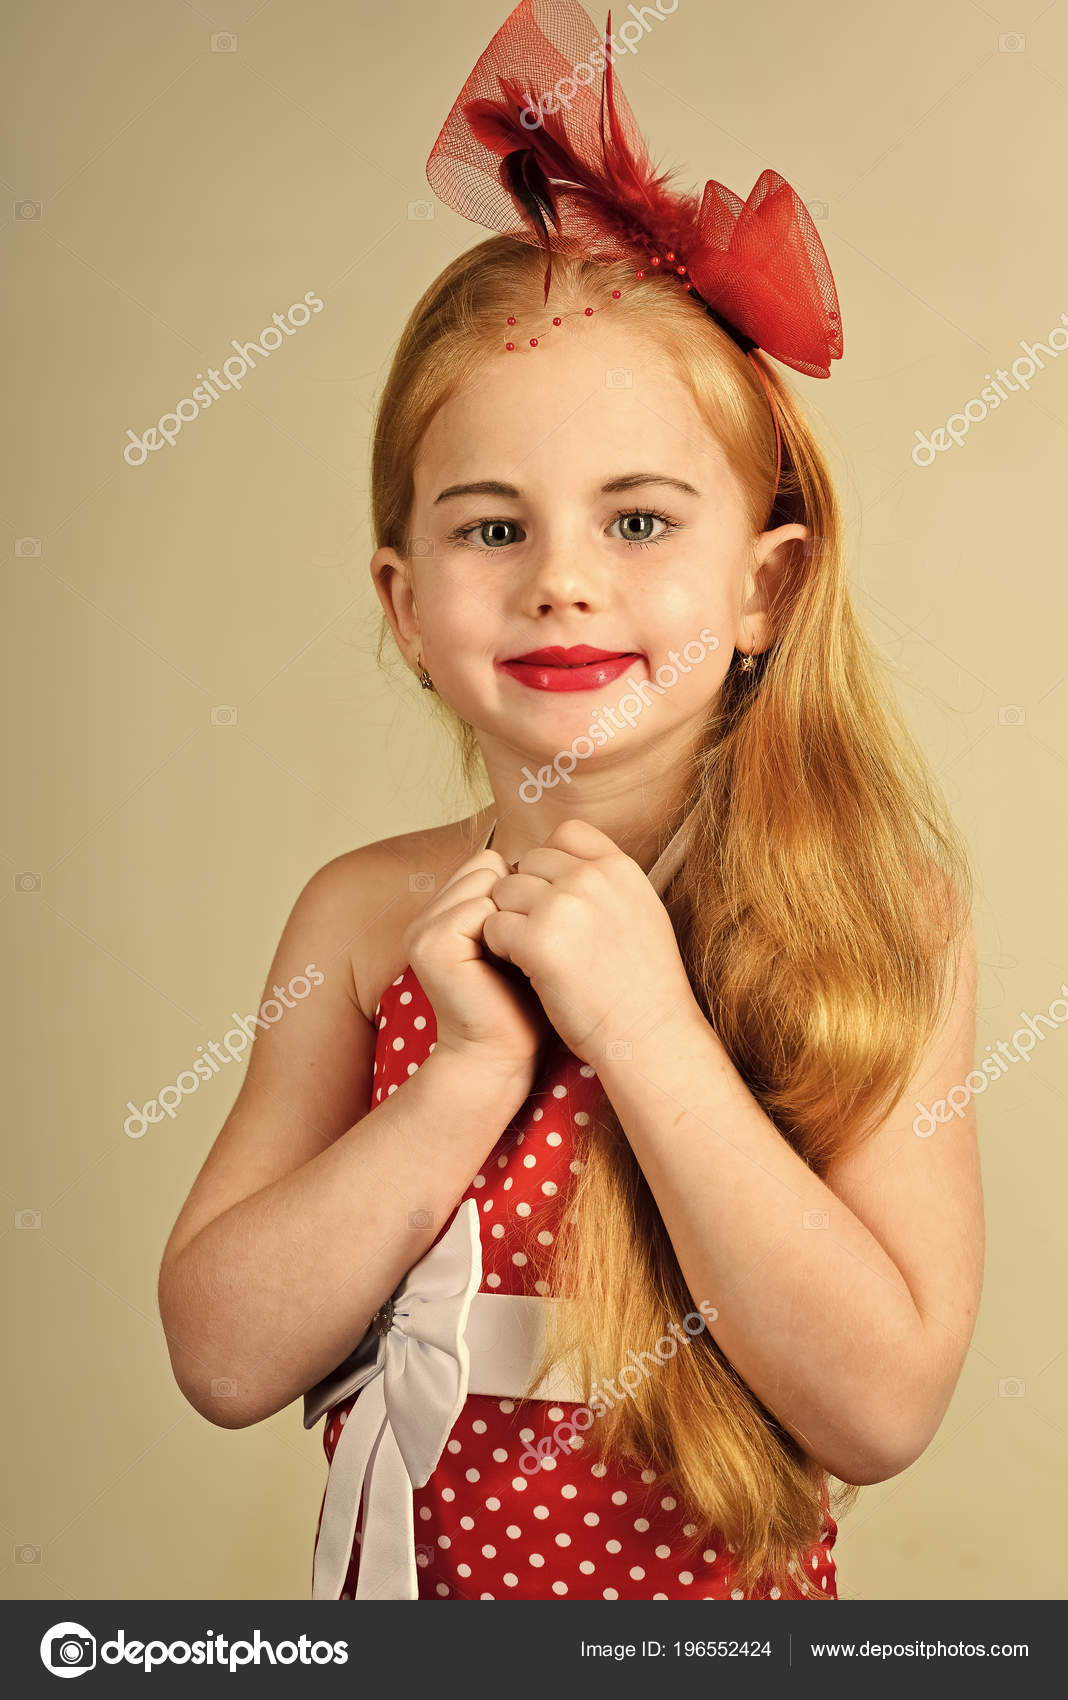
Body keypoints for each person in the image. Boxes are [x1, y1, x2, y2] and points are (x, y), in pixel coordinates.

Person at [158, 0, 983, 1604]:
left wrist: (654, 1036)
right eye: (489, 530)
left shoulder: (871, 920)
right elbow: (221, 1353)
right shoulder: (365, 915)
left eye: (640, 520)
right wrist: (466, 1078)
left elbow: (884, 1405)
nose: (561, 587)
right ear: (403, 603)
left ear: (766, 585)